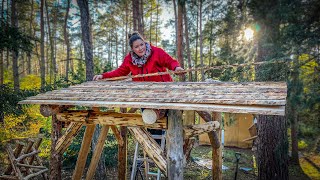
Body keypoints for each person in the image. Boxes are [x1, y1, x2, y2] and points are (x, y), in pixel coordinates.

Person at [93, 31, 184, 82]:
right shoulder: (129, 59)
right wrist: (103, 76)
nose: (140, 48)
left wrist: (176, 68)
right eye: (136, 47)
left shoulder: (156, 52)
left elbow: (170, 61)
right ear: (132, 49)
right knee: (147, 115)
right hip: (143, 93)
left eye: (142, 44)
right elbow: (119, 72)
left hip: (164, 89)